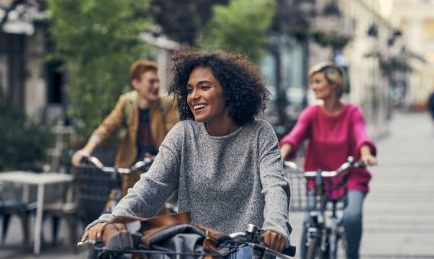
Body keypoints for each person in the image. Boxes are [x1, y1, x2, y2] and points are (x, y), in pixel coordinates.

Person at [80, 50, 292, 253]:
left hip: (248, 250)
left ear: (229, 91)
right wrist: (112, 219)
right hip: (197, 250)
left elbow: (275, 185)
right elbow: (150, 187)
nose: (194, 96)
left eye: (204, 87)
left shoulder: (260, 133)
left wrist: (275, 227)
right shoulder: (183, 133)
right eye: (190, 90)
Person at [279, 62, 377, 259]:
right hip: (319, 179)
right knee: (309, 221)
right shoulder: (311, 113)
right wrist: (281, 156)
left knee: (351, 217)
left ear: (333, 84)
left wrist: (365, 154)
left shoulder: (352, 113)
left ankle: (352, 254)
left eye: (317, 82)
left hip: (350, 176)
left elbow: (361, 136)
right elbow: (294, 137)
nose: (313, 87)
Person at [71, 60, 179, 195]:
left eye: (157, 81)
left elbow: (174, 136)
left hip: (156, 167)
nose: (156, 86)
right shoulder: (127, 102)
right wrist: (87, 150)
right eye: (151, 81)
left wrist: (163, 158)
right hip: (130, 166)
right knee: (123, 208)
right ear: (136, 84)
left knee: (155, 212)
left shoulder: (166, 103)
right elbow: (107, 127)